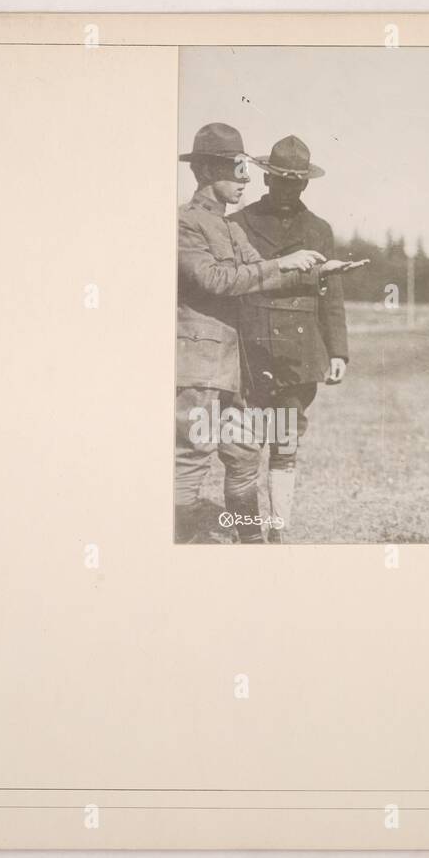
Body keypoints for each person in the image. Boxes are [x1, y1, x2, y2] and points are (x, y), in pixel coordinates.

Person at [175, 123, 327, 543]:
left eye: (244, 167)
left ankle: (253, 546)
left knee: (244, 455)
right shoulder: (185, 224)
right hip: (198, 367)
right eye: (235, 168)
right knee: (192, 458)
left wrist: (315, 269)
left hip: (231, 369)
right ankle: (183, 547)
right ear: (206, 172)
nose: (245, 177)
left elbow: (262, 272)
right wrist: (283, 264)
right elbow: (217, 280)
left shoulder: (231, 228)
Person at [228, 135, 353, 543]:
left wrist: (338, 351)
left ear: (306, 184)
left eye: (296, 182)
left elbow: (329, 294)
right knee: (244, 447)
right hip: (251, 347)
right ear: (267, 179)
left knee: (285, 444)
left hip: (298, 354)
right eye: (281, 181)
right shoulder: (239, 224)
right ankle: (248, 535)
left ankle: (279, 532)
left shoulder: (319, 230)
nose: (288, 189)